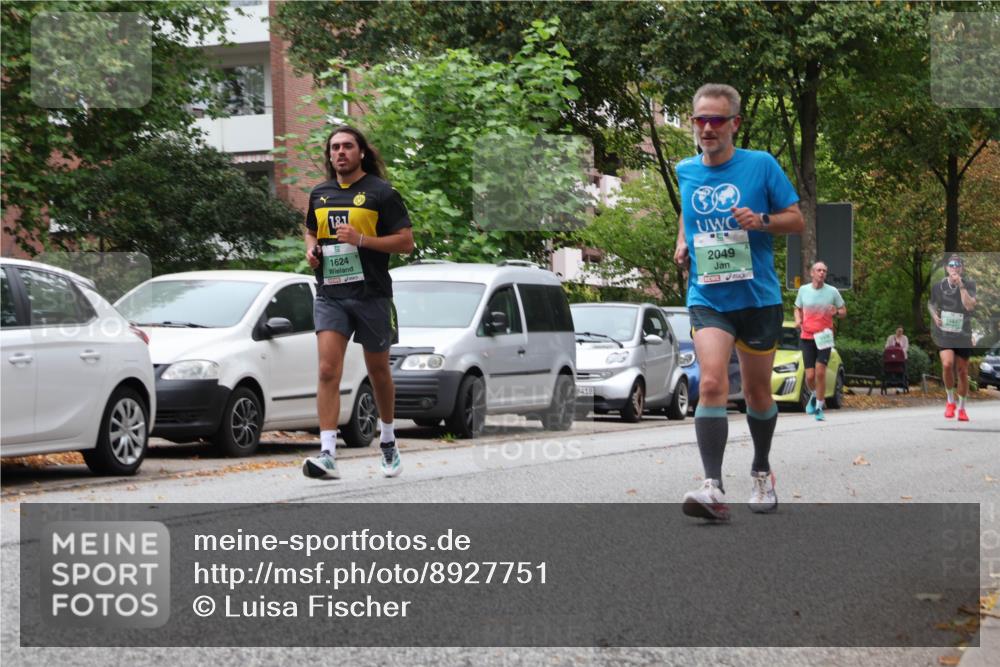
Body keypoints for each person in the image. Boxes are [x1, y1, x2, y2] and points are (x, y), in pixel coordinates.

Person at [673, 83, 804, 520]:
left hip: (758, 298)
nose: (707, 128)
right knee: (710, 383)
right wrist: (681, 242)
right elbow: (687, 213)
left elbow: (796, 219)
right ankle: (712, 485)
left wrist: (762, 221)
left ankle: (762, 470)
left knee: (756, 393)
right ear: (693, 123)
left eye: (716, 120)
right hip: (708, 295)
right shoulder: (686, 169)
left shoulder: (761, 165)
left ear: (734, 124)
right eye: (700, 120)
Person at [301, 126, 415, 480]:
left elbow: (405, 242)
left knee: (378, 371)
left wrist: (362, 239)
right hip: (331, 294)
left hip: (372, 294)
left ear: (361, 152)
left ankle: (388, 440)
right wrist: (311, 250)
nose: (340, 152)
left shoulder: (382, 193)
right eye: (334, 147)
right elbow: (310, 229)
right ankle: (327, 453)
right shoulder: (320, 193)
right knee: (326, 370)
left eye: (347, 146)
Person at [794, 261, 846, 421]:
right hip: (807, 336)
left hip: (824, 336)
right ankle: (815, 395)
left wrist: (836, 311)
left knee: (820, 372)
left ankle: (819, 408)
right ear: (812, 273)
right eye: (819, 270)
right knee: (810, 376)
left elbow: (844, 311)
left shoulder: (832, 291)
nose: (822, 273)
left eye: (824, 270)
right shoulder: (803, 290)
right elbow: (797, 308)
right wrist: (797, 320)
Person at [928, 254, 977, 421]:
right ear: (947, 268)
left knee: (962, 371)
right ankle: (950, 401)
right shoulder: (938, 286)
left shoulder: (969, 284)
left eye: (958, 265)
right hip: (945, 333)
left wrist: (961, 286)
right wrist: (935, 316)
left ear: (961, 268)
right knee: (947, 364)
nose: (955, 267)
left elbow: (969, 306)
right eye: (952, 264)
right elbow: (931, 304)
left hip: (963, 334)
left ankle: (962, 408)